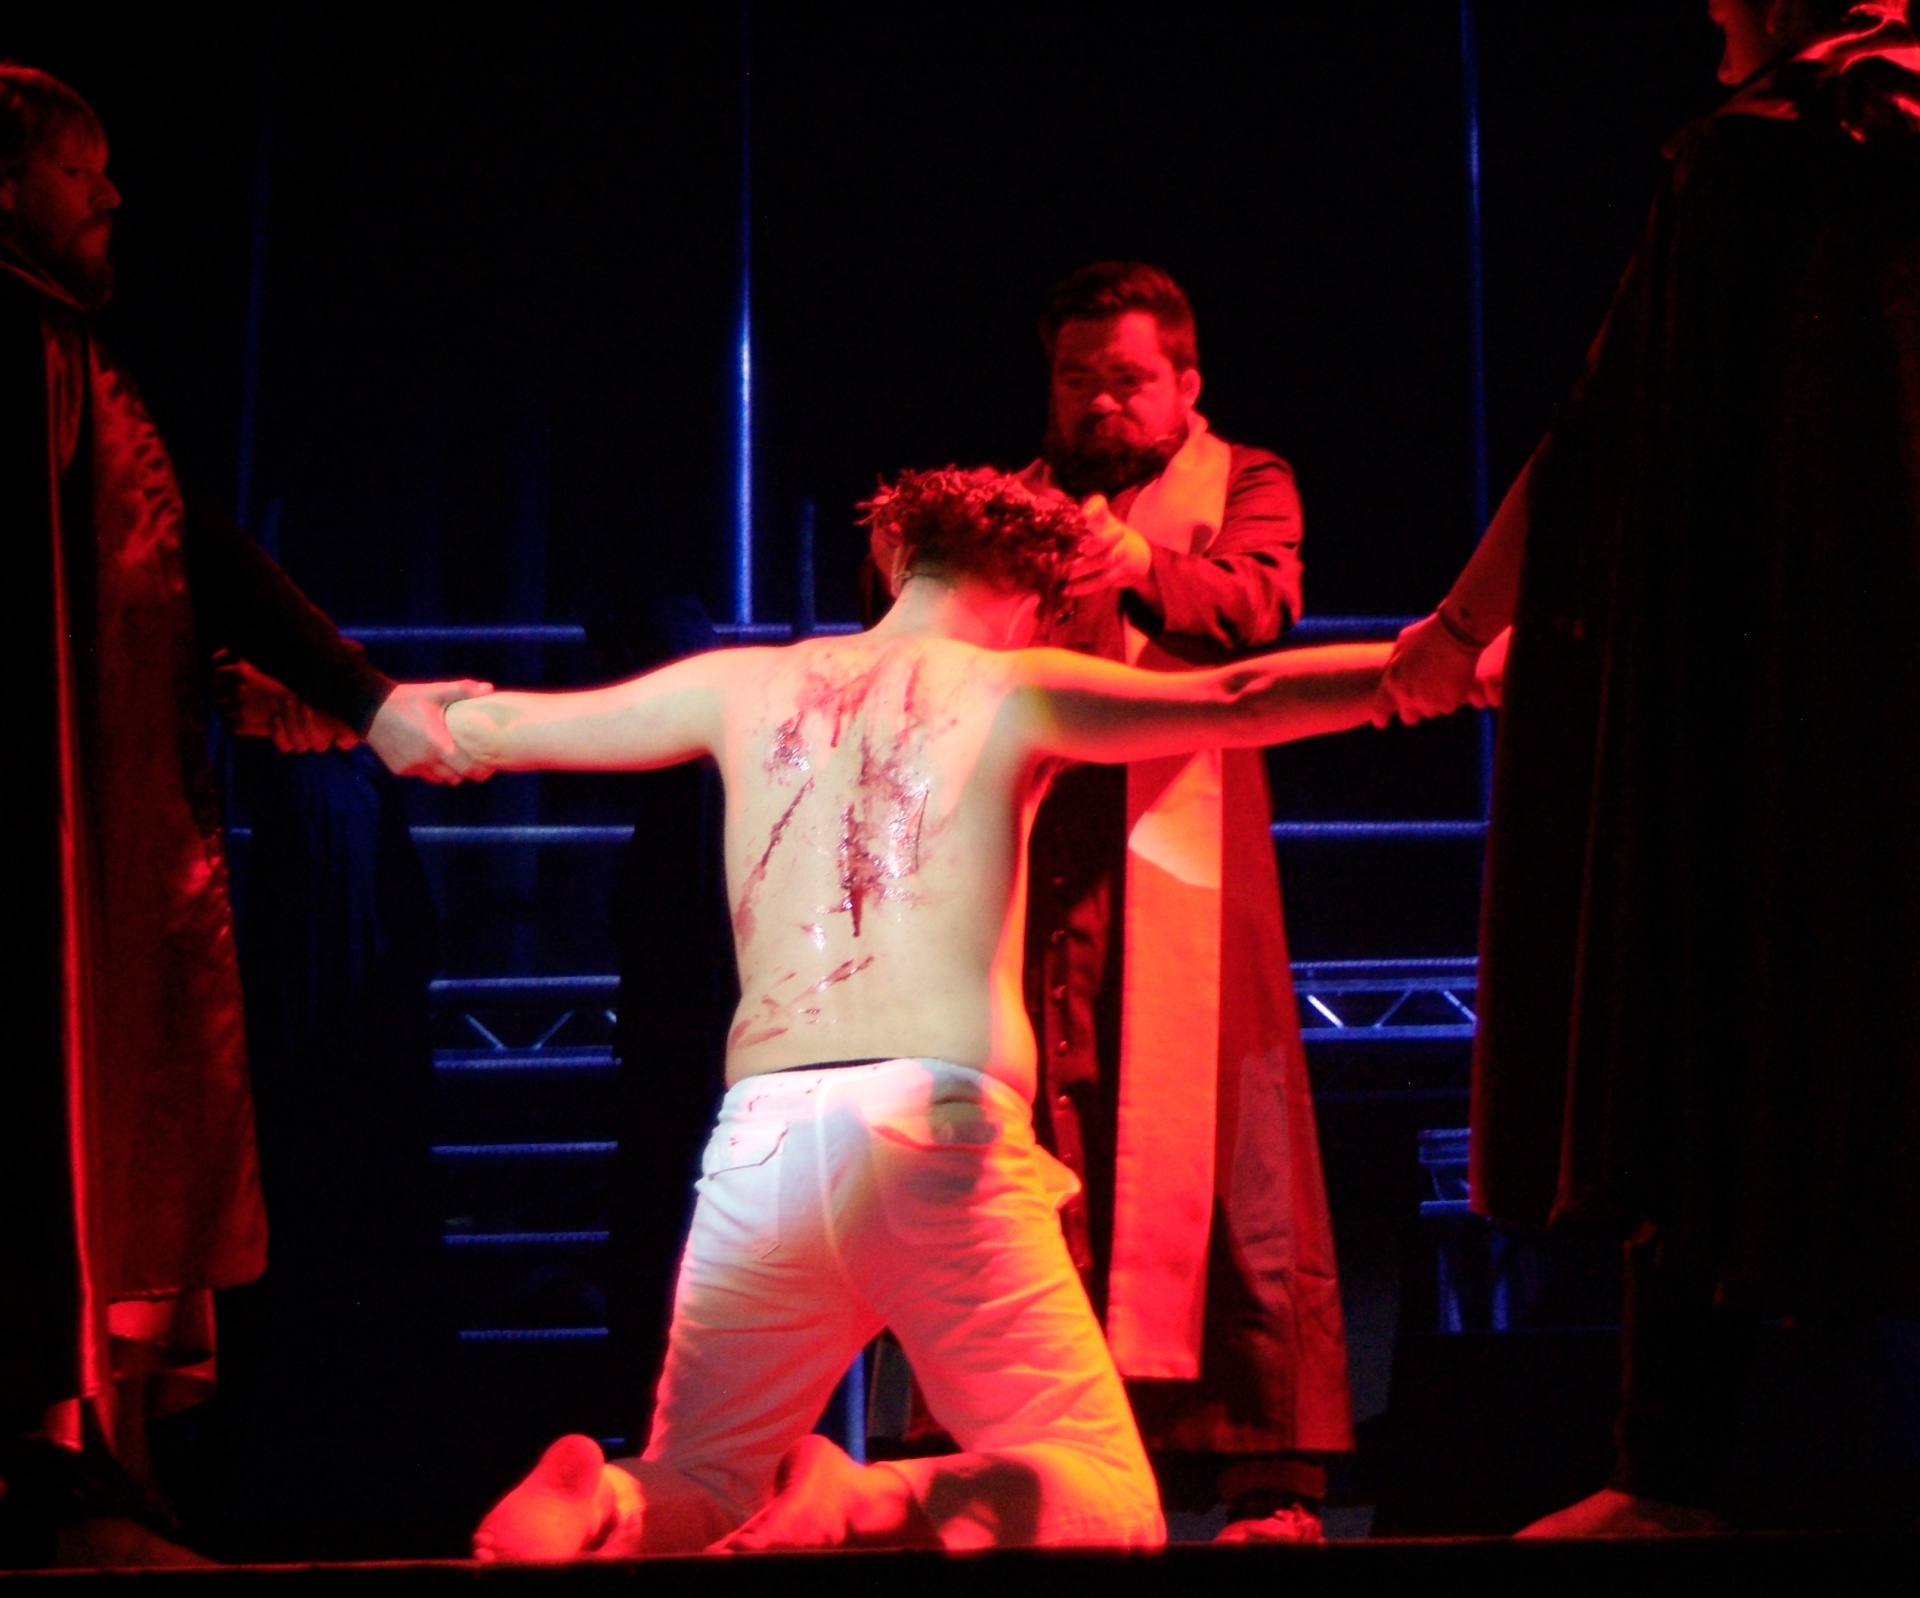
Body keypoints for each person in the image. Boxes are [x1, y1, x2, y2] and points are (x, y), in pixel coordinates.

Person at [453, 467, 1391, 1556]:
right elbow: (1241, 698)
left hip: (761, 1138)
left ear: (895, 558)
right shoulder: (1016, 686)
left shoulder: (739, 681)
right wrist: (1431, 667)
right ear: (1043, 598)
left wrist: (392, 711)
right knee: (1107, 1496)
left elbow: (509, 726)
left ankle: (600, 1502)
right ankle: (866, 1504)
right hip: (933, 1130)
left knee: (703, 1473)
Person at [1375, 0, 1920, 1536]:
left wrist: (1457, 629)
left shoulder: (1757, 156)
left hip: (1781, 705)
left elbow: (1607, 427)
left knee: (1695, 1023)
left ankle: (1665, 1471)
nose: (1708, 18)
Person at [0, 64, 486, 1566]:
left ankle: (68, 1456)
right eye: (80, 168)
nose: (112, 194)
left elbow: (142, 571)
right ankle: (41, 1464)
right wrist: (357, 689)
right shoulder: (27, 344)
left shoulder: (65, 349)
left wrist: (264, 683)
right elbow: (182, 551)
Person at [1019, 262, 1350, 1538]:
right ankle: (1035, 1462)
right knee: (1039, 1145)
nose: (1100, 403)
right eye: (1076, 379)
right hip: (1040, 864)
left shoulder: (1244, 479)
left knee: (1228, 1149)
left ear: (1185, 382)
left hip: (1189, 861)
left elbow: (1259, 600)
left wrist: (1138, 562)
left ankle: (1269, 1471)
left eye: (1127, 379)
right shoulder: (1014, 503)